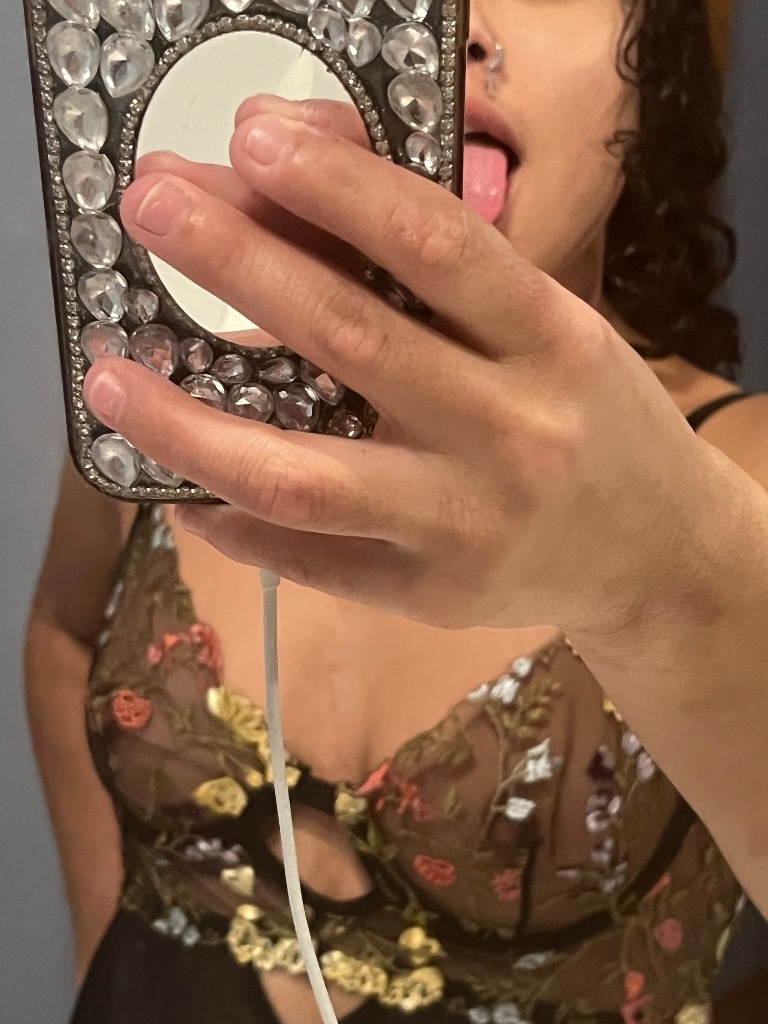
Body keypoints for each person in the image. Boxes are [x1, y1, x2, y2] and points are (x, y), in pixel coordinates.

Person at [26, 0, 768, 1022]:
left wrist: (665, 577)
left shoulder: (742, 473)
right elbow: (62, 630)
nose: (458, 24)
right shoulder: (179, 400)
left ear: (655, 70)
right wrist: (103, 941)